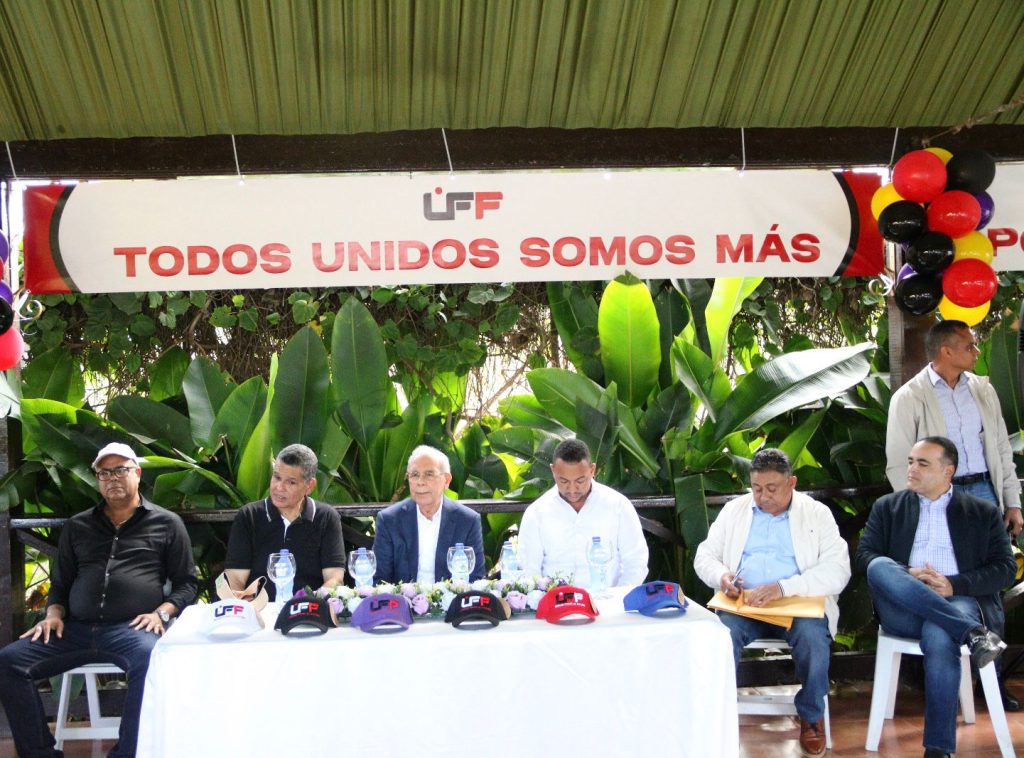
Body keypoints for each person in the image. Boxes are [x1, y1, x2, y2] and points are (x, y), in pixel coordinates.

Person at [0, 442, 198, 758]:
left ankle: (126, 754)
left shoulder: (166, 523)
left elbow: (187, 584)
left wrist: (161, 613)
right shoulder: (78, 525)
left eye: (120, 470)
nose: (112, 478)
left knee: (150, 661)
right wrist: (53, 614)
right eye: (104, 473)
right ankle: (40, 753)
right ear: (97, 479)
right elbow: (61, 584)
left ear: (137, 473)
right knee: (9, 661)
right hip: (74, 629)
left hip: (132, 630)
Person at [885, 319, 1022, 710]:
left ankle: (991, 684)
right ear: (946, 351)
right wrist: (920, 510)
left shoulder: (983, 389)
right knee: (937, 583)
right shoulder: (910, 397)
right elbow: (899, 463)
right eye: (970, 346)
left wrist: (1012, 500)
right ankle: (940, 682)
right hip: (937, 498)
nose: (977, 352)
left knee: (989, 588)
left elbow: (1000, 448)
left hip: (983, 494)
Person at [857, 436, 1015, 758]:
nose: (911, 469)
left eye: (922, 463)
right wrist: (909, 574)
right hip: (903, 606)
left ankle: (937, 749)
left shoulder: (981, 512)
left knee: (940, 635)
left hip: (956, 600)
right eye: (911, 461)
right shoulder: (888, 507)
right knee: (880, 566)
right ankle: (973, 633)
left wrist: (953, 585)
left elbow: (1005, 569)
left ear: (948, 471)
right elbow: (864, 557)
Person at [694, 447, 850, 758]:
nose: (762, 497)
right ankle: (716, 717)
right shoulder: (735, 510)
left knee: (813, 639)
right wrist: (722, 576)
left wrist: (783, 588)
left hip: (797, 603)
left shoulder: (816, 514)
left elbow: (838, 571)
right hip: (745, 604)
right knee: (719, 636)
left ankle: (811, 716)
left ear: (791, 482)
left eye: (771, 488)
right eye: (756, 488)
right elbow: (705, 556)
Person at [517, 438, 649, 587]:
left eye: (580, 481)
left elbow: (636, 561)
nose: (572, 489)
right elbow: (528, 569)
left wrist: (618, 597)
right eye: (564, 481)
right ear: (553, 471)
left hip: (608, 599)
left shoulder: (618, 506)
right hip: (554, 599)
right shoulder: (537, 512)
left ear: (592, 470)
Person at [224, 444, 346, 600]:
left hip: (309, 607)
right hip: (257, 608)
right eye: (277, 477)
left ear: (309, 486)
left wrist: (313, 603)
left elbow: (335, 578)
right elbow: (235, 578)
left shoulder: (326, 517)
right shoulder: (249, 516)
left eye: (291, 482)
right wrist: (243, 605)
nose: (279, 487)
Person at [373, 445, 485, 584]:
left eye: (429, 474)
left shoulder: (467, 520)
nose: (420, 482)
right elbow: (380, 579)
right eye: (414, 475)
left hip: (453, 597)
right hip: (402, 597)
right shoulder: (389, 519)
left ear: (446, 480)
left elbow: (476, 579)